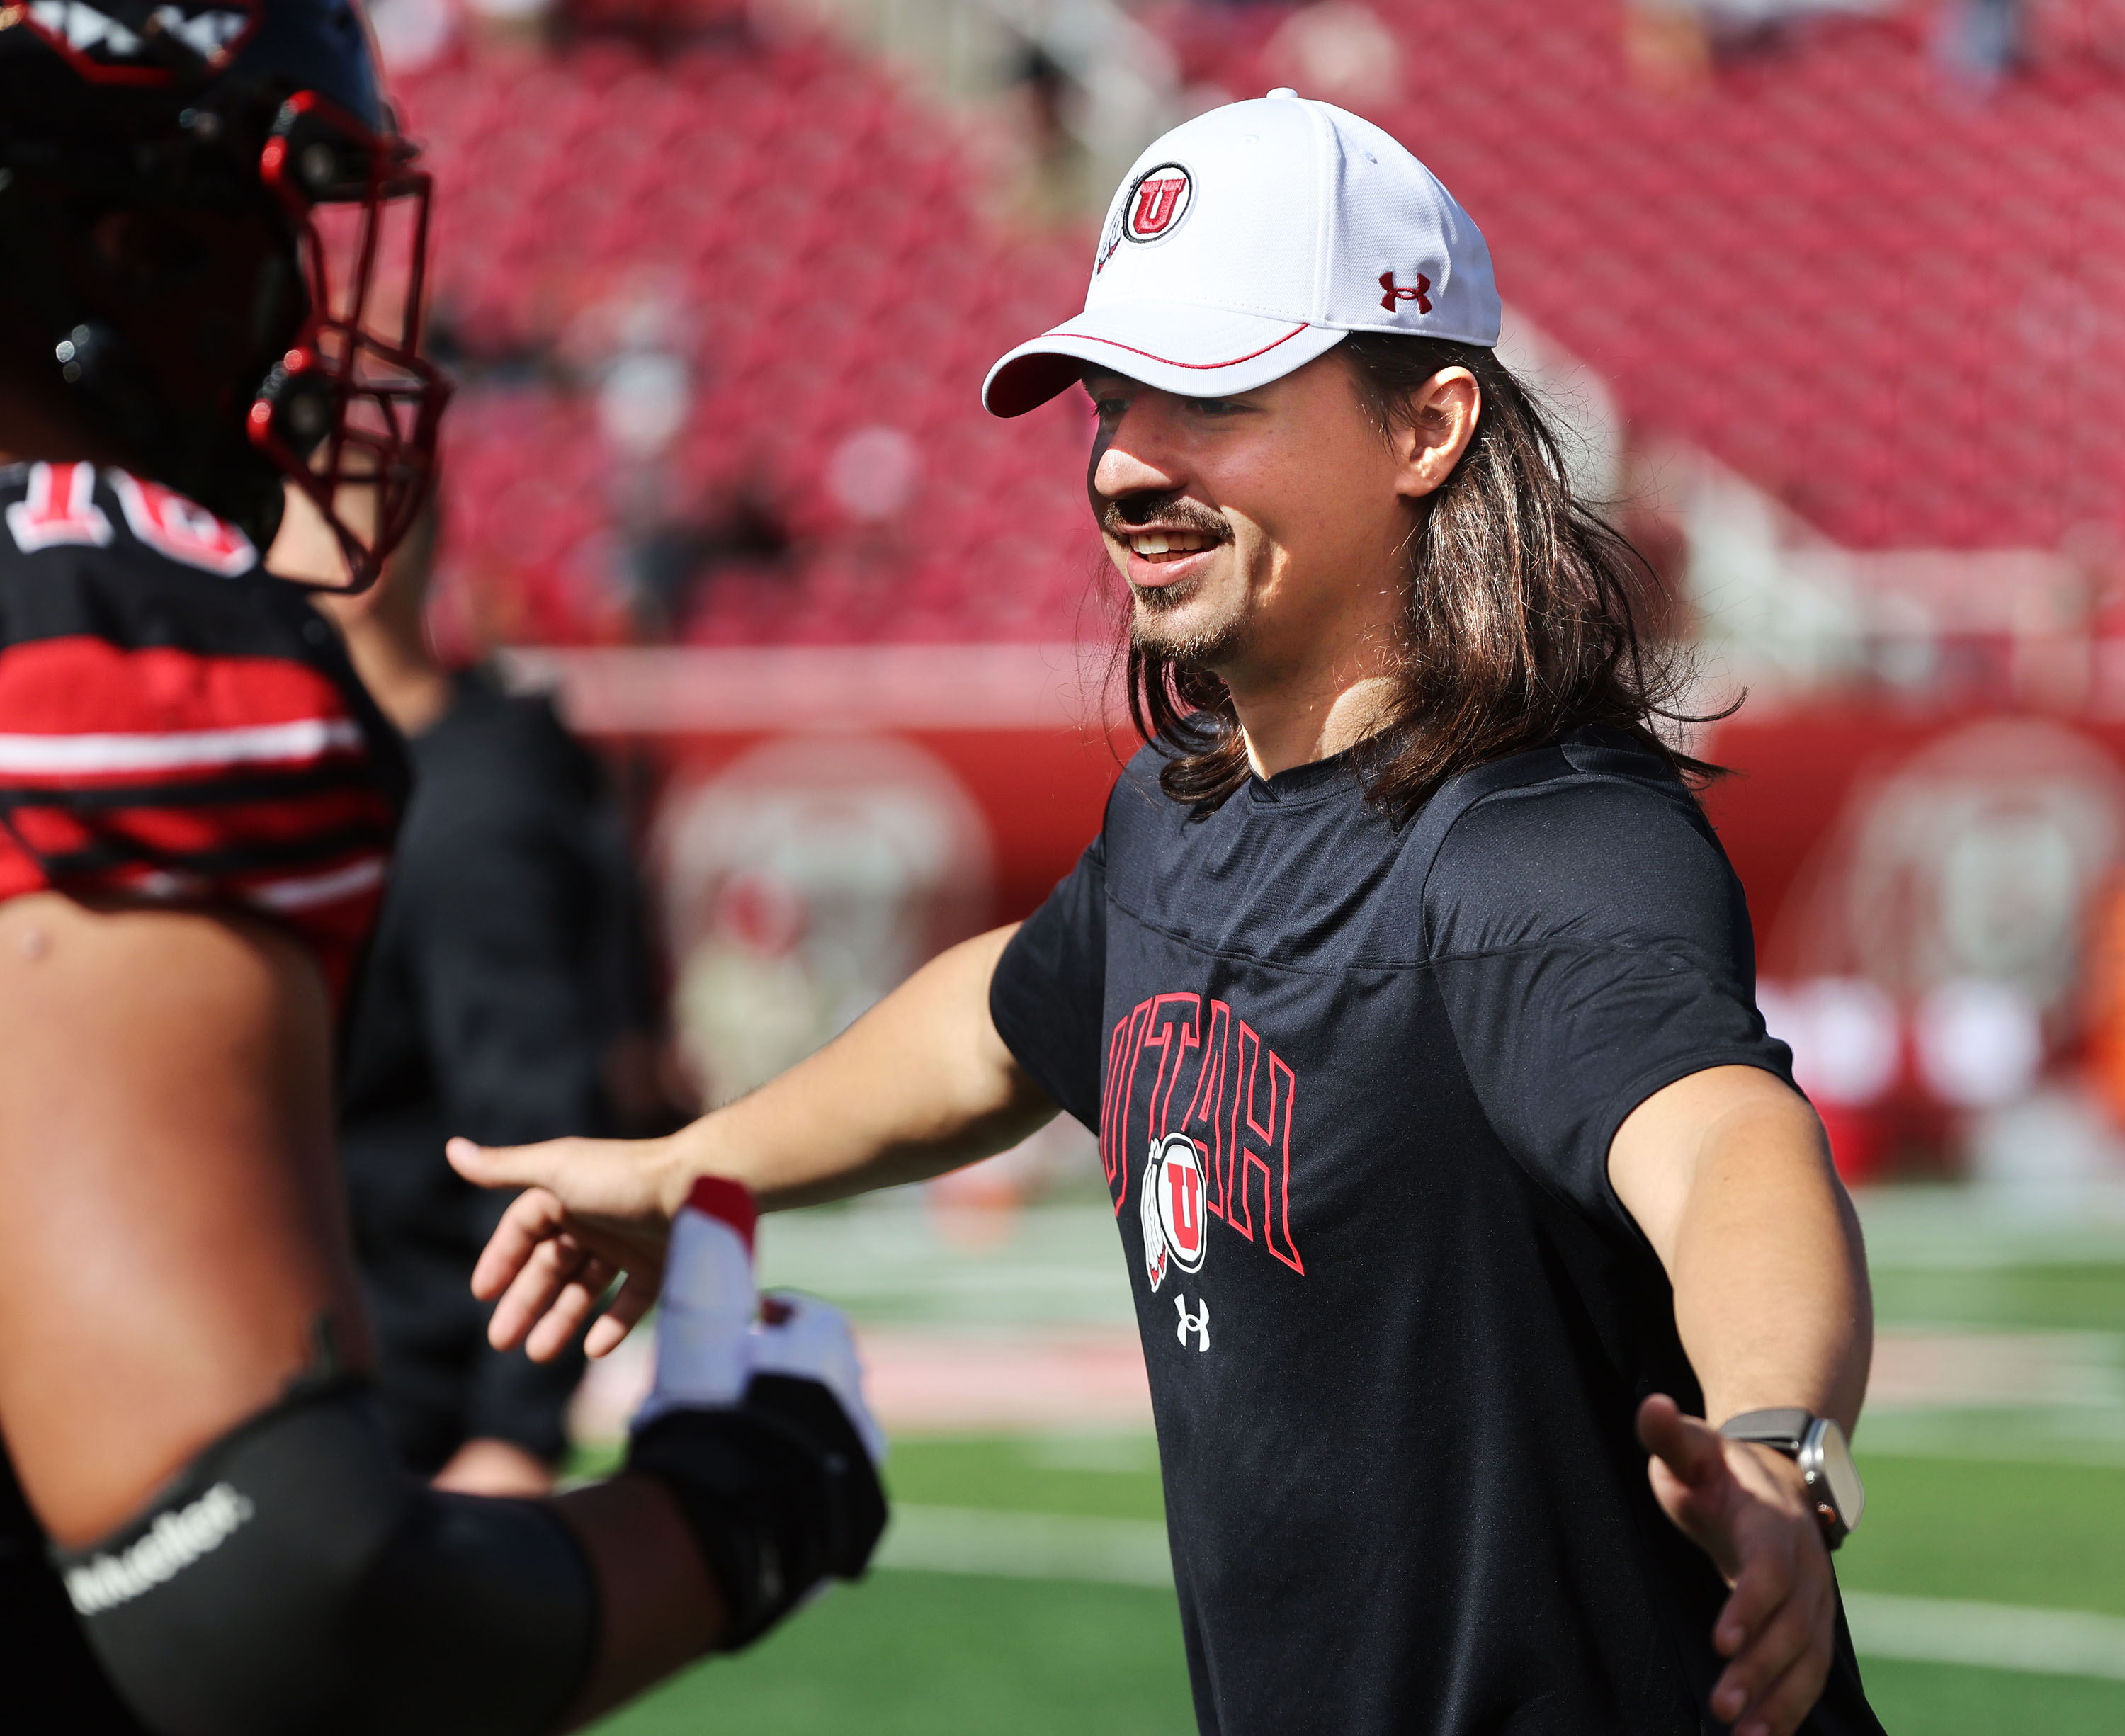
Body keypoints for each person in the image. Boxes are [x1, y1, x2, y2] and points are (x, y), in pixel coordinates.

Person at [455, 91, 1883, 1736]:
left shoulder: (1537, 849)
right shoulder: (1178, 811)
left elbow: (1728, 1145)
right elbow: (1009, 1014)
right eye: (1115, 393)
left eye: (1212, 393)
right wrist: (685, 1169)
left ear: (1427, 427)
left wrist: (1780, 1449)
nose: (1128, 459)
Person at [0, 11, 881, 1733]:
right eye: (279, 225)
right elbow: (265, 1591)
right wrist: (744, 1500)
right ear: (134, 239)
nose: (306, 315)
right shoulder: (97, 621)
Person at [312, 502, 674, 1498]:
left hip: (400, 1407)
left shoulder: (464, 805)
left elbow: (534, 1120)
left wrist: (514, 1433)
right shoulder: (331, 773)